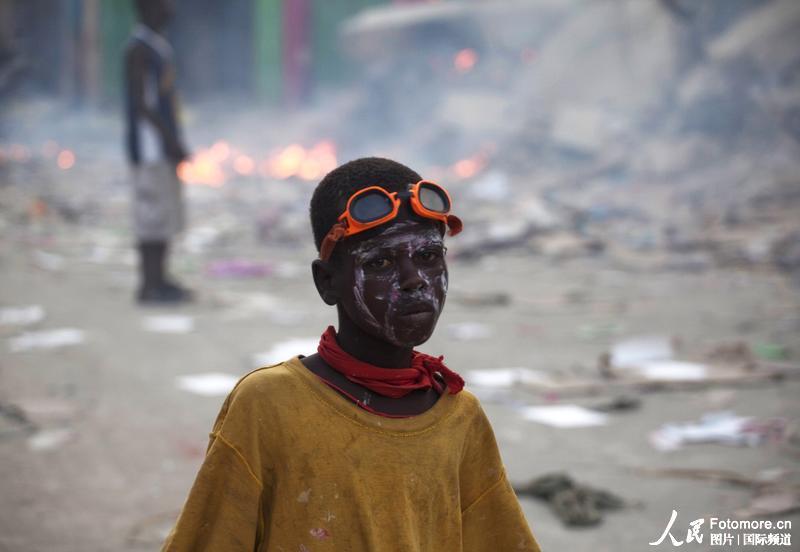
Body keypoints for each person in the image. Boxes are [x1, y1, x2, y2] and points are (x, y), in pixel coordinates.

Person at [162, 158, 541, 551]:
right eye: (380, 262)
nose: (414, 280)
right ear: (327, 282)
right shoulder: (267, 406)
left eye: (428, 256)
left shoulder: (460, 418)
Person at [124, 0, 192, 304]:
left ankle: (160, 280)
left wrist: (175, 141)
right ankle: (149, 286)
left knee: (163, 218)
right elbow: (142, 104)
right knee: (152, 218)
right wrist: (170, 141)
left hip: (162, 149)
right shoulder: (138, 50)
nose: (171, 8)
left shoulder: (157, 47)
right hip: (151, 150)